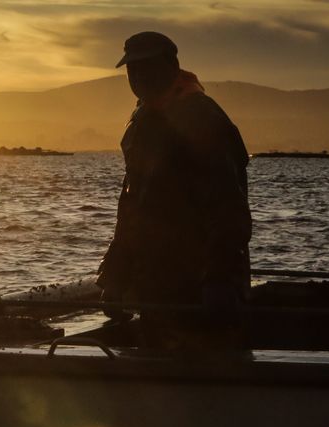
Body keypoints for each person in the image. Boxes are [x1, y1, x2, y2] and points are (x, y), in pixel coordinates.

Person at [96, 31, 252, 351]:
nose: (138, 76)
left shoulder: (203, 117)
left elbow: (228, 208)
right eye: (132, 69)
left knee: (207, 371)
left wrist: (220, 280)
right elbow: (132, 205)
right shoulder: (143, 120)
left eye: (147, 66)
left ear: (172, 65)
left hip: (200, 292)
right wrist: (115, 271)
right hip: (157, 291)